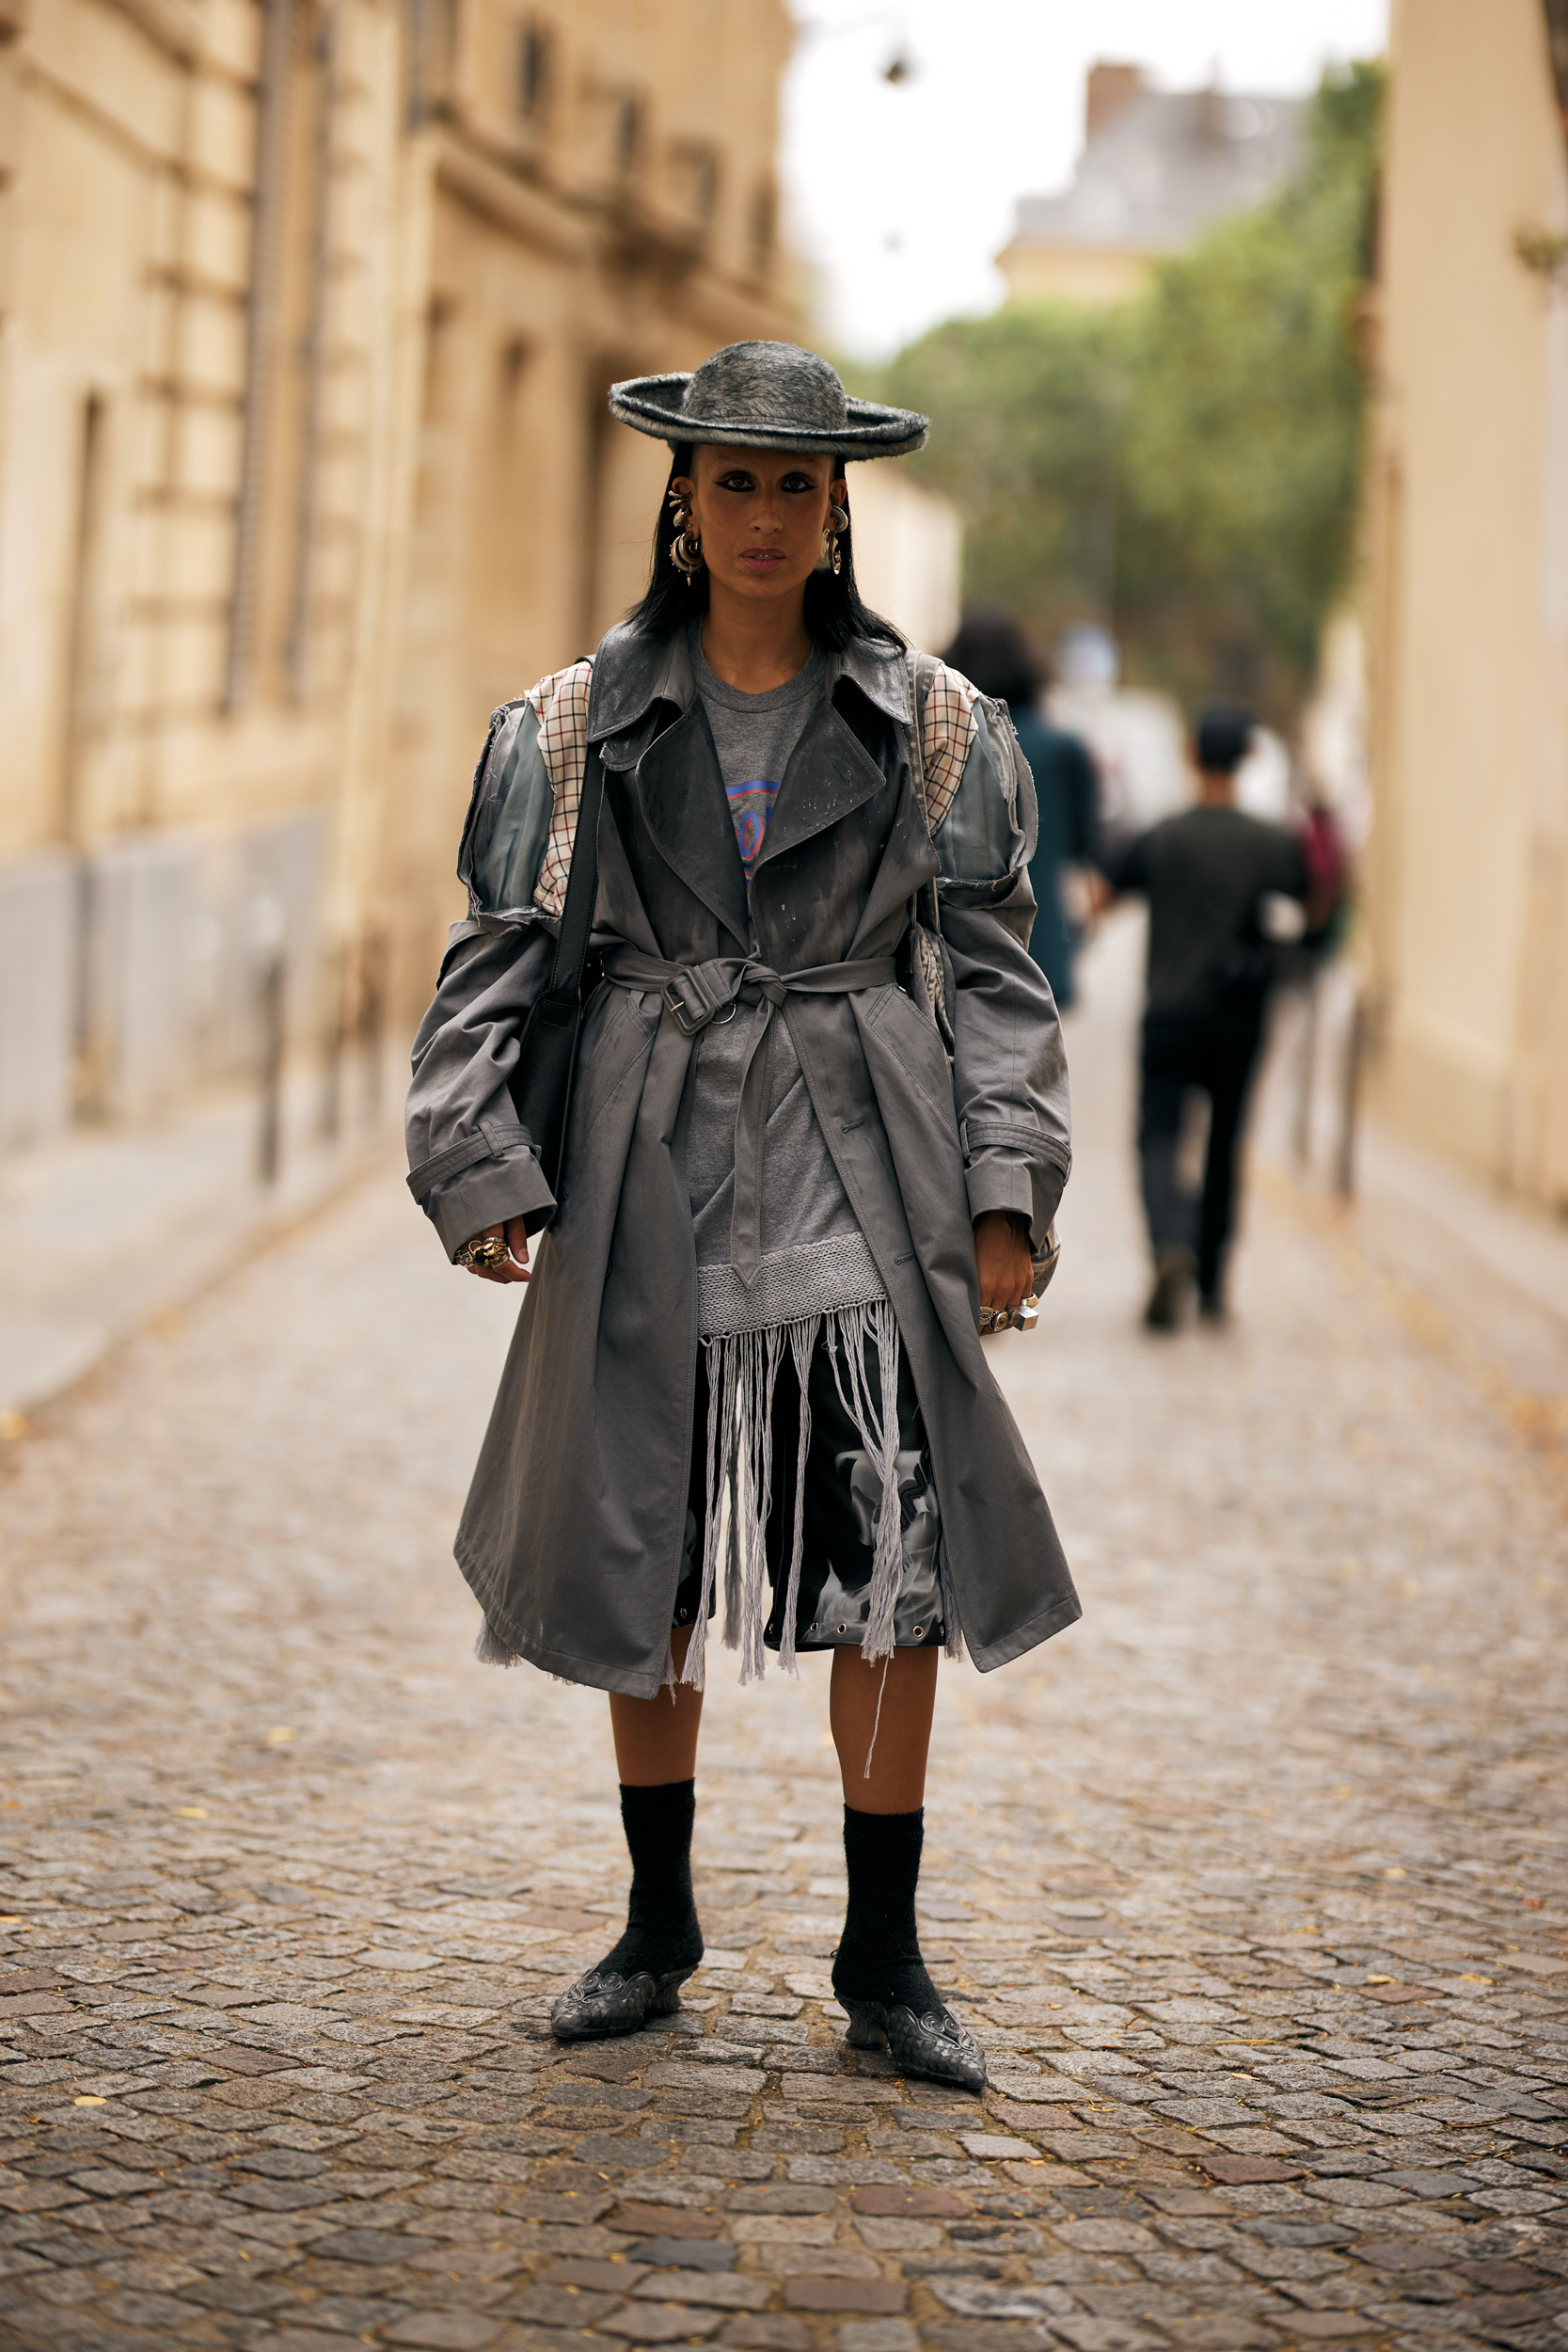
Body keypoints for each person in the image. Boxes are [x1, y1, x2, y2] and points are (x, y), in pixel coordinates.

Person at [404, 342, 1080, 2093]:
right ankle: (656, 1924)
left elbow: (999, 983)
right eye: (734, 480)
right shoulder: (569, 726)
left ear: (835, 505)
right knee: (647, 1544)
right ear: (680, 501)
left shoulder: (936, 727)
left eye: (796, 484)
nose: (766, 513)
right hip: (649, 1177)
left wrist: (1005, 1189)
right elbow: (493, 964)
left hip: (865, 1168)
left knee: (894, 1565)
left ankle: (884, 1952)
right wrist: (477, 1160)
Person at [1102, 702, 1308, 1329]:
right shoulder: (1274, 844)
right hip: (1238, 1016)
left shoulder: (1163, 835)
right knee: (1224, 1141)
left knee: (1158, 1135)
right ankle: (1213, 1280)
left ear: (1191, 755)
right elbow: (1309, 907)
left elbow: (1105, 891)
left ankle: (1170, 1240)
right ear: (1246, 758)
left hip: (1168, 1008)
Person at [942, 606, 1100, 1009]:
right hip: (1039, 941)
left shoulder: (939, 742)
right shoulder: (1066, 750)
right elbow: (1088, 846)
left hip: (950, 944)